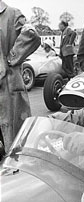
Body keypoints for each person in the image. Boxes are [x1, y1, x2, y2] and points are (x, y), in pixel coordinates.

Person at [0, 1, 41, 153]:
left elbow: (32, 34)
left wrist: (11, 58)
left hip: (9, 88)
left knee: (16, 142)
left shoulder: (12, 14)